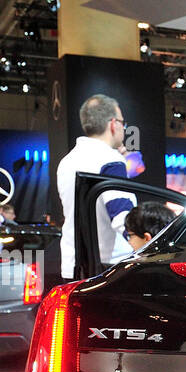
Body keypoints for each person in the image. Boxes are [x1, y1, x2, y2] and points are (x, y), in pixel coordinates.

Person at [56, 93, 135, 279]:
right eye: (123, 123)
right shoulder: (110, 160)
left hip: (72, 264)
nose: (123, 128)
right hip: (108, 266)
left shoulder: (67, 161)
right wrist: (147, 245)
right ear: (113, 124)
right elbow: (123, 218)